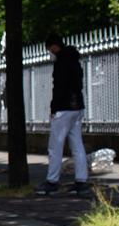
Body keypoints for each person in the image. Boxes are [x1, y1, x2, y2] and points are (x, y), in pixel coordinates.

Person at [35, 34, 90, 196]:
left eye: (49, 49)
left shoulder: (61, 62)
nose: (50, 53)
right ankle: (81, 181)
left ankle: (52, 182)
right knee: (77, 145)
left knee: (55, 146)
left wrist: (54, 108)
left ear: (54, 46)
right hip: (77, 106)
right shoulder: (74, 60)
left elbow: (59, 87)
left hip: (64, 108)